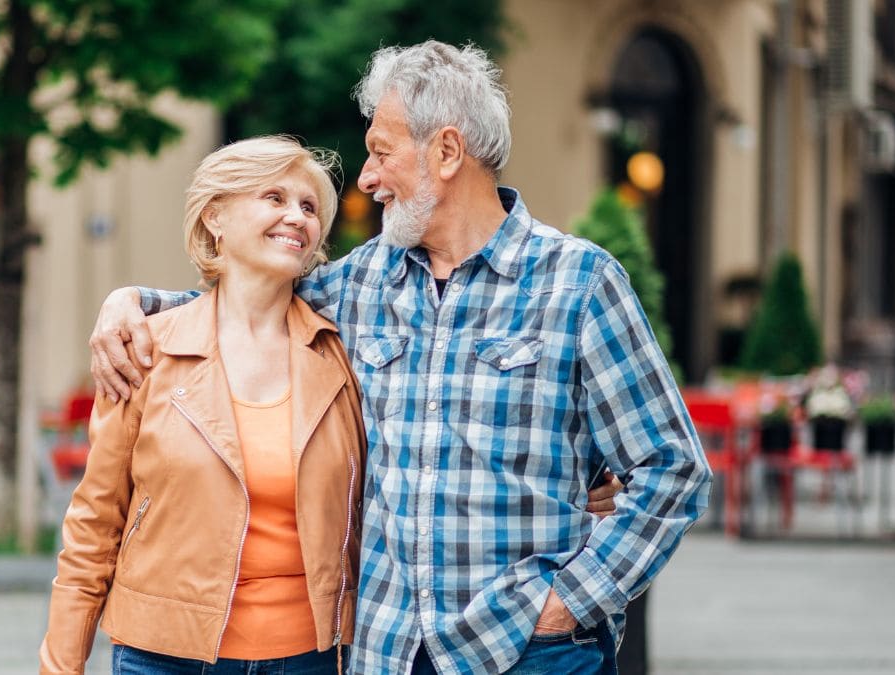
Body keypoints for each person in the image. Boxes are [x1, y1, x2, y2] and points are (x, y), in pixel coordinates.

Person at [91, 41, 711, 674]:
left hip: (532, 651)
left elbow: (672, 470)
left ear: (446, 152)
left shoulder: (578, 284)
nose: (365, 178)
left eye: (381, 152)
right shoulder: (359, 284)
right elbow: (244, 301)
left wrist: (571, 603)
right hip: (387, 650)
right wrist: (133, 303)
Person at [40, 136, 368, 674]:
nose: (297, 217)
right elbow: (94, 525)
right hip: (165, 656)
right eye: (274, 197)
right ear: (215, 216)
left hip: (311, 656)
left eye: (309, 207)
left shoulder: (341, 354)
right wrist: (61, 665)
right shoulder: (144, 351)